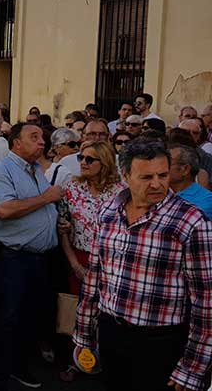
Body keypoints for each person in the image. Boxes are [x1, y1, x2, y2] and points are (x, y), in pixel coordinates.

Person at [74, 139, 212, 391]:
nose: (157, 183)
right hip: (111, 333)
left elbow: (206, 301)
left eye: (162, 174)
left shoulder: (191, 221)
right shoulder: (108, 212)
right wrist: (84, 334)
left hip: (162, 343)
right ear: (126, 175)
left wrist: (192, 367)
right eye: (146, 176)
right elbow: (95, 277)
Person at [0, 123, 62, 391]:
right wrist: (47, 198)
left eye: (42, 138)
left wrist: (54, 219)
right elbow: (4, 209)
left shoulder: (37, 169)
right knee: (7, 318)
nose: (42, 142)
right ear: (16, 143)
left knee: (29, 316)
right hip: (12, 258)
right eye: (34, 137)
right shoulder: (0, 170)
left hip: (38, 257)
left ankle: (17, 366)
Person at [57, 141, 125, 381]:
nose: (83, 163)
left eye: (89, 159)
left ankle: (106, 363)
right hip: (79, 256)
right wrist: (74, 264)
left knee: (107, 314)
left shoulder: (121, 191)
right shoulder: (72, 187)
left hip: (112, 261)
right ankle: (75, 362)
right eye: (81, 158)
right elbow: (63, 228)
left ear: (104, 162)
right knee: (77, 312)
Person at [168, 144, 212, 219]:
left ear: (185, 169)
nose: (161, 167)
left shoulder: (206, 200)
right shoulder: (160, 193)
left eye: (168, 162)